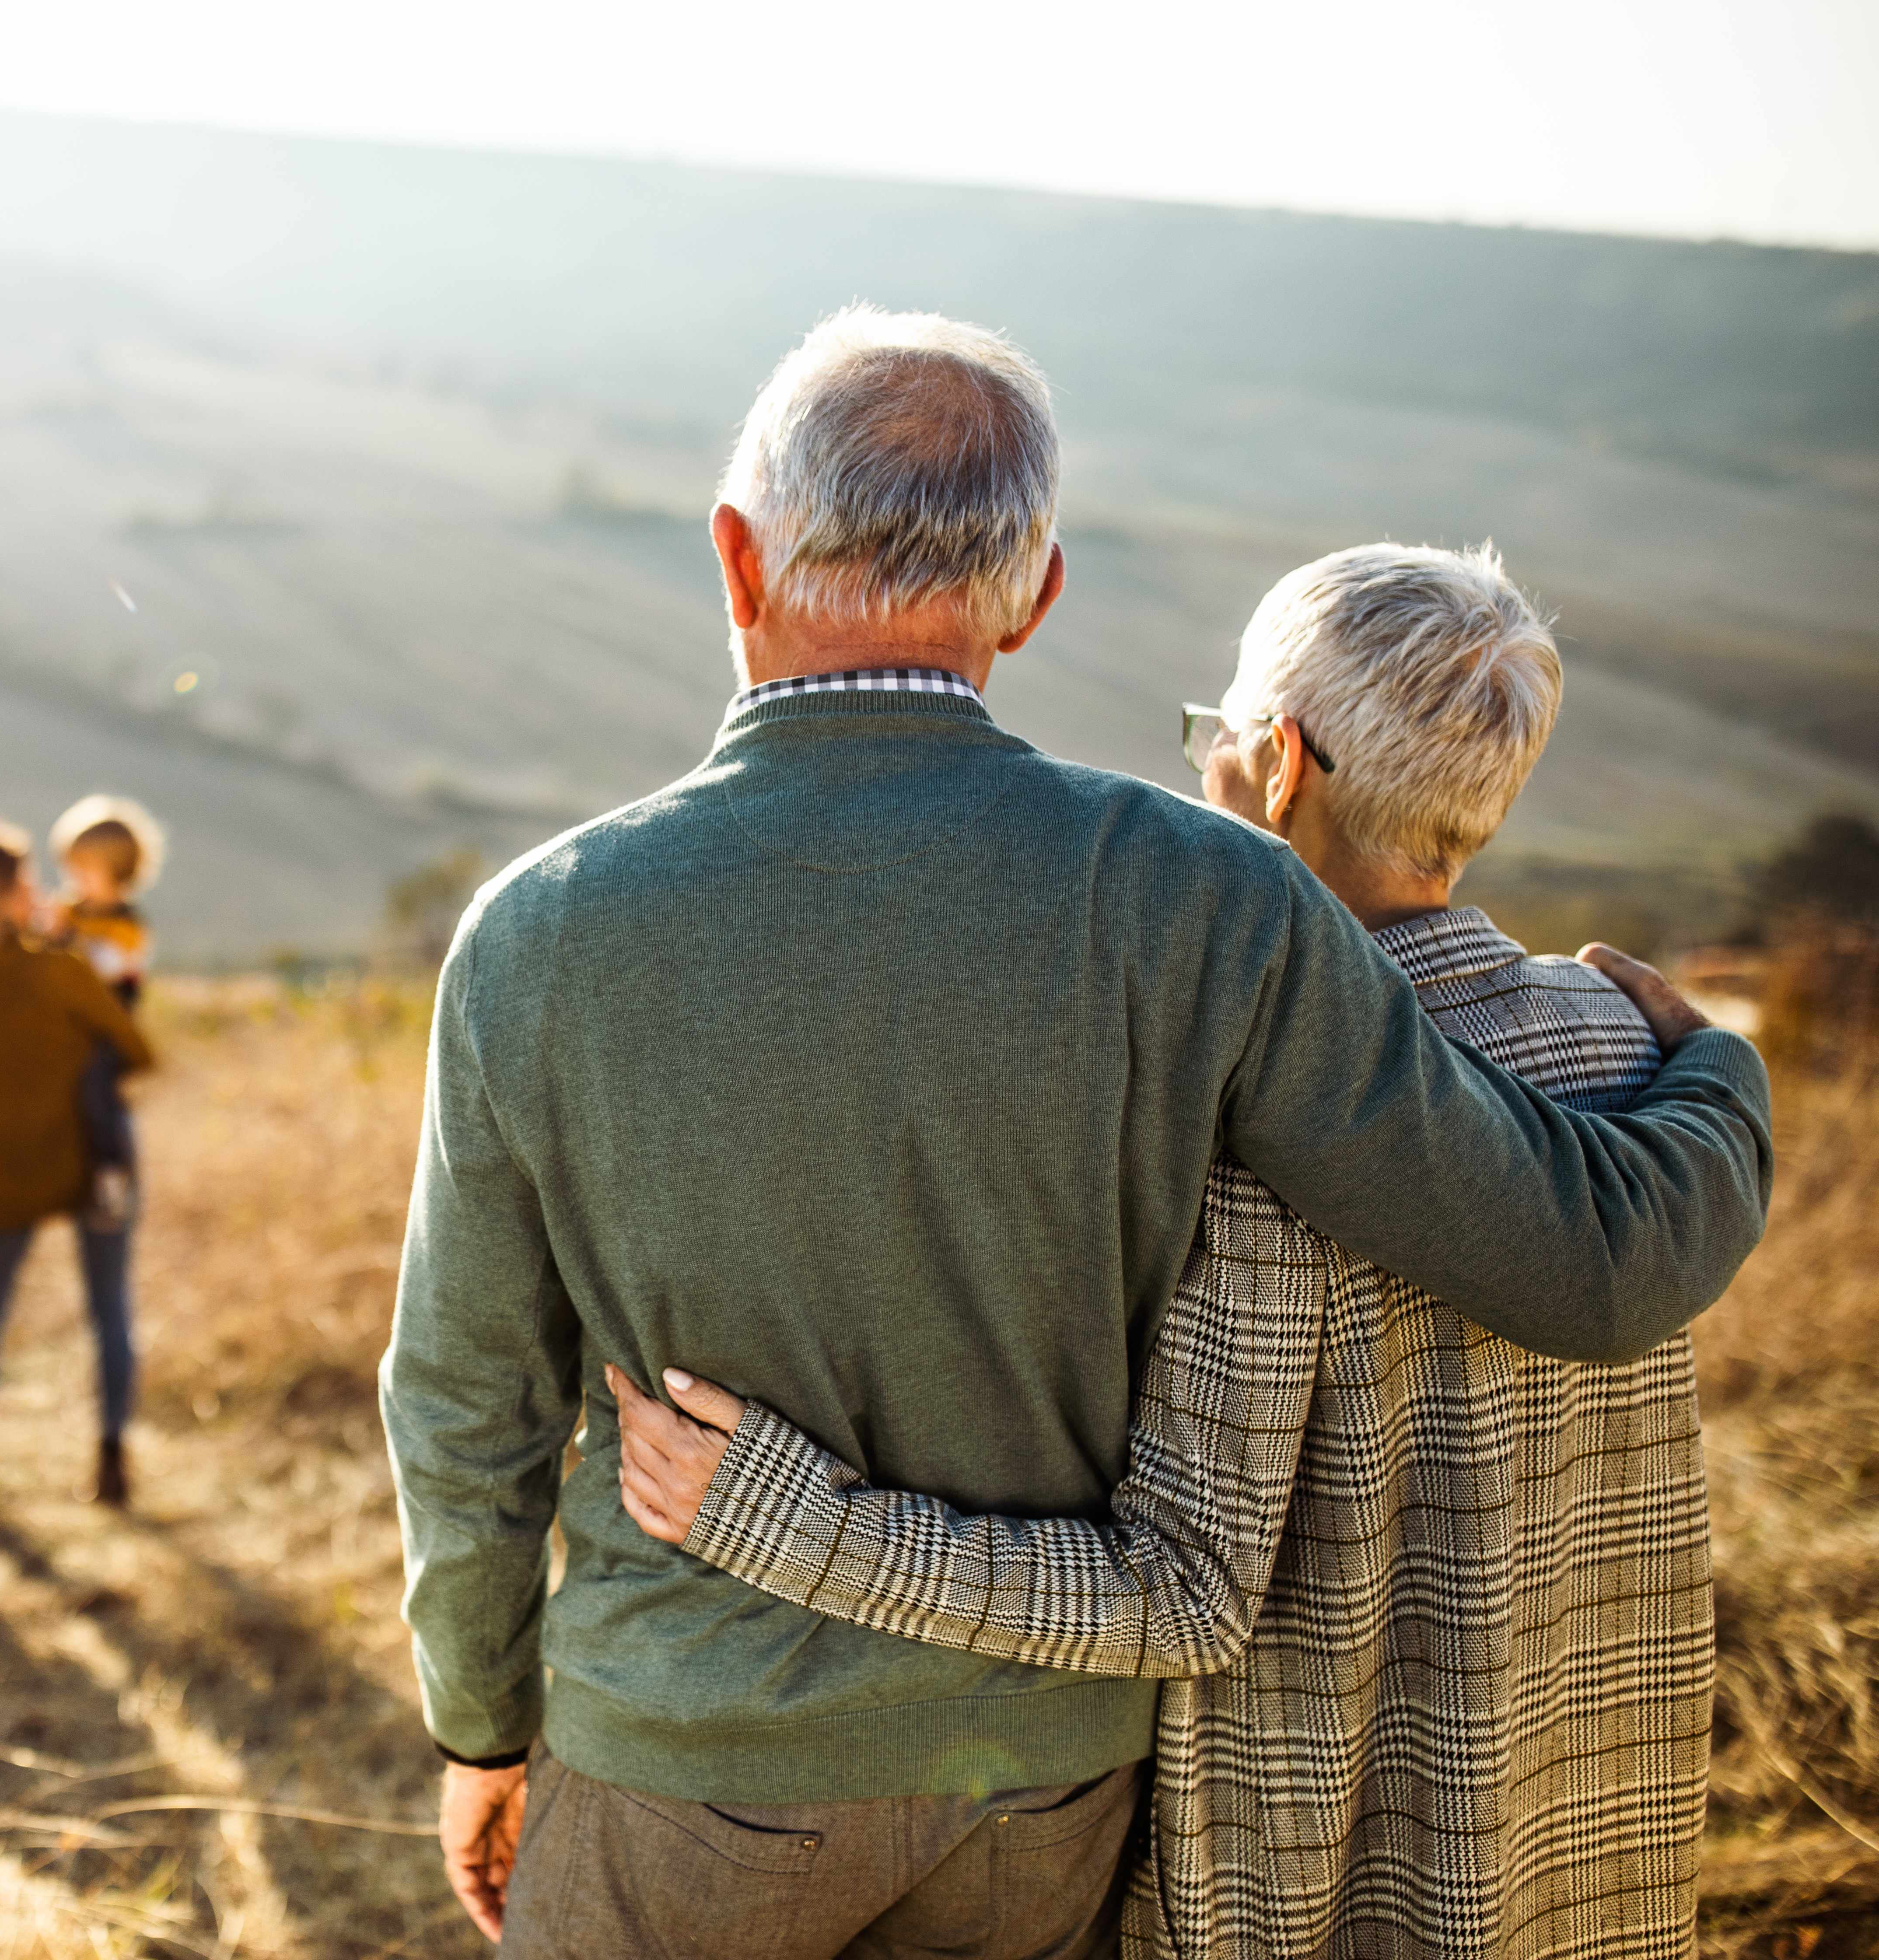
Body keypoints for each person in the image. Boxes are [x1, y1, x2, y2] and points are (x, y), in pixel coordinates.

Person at [378, 308, 1773, 1959]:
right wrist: (1714, 1082)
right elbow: (1574, 1261)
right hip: (1039, 1789)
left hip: (682, 1768)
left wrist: (480, 1725)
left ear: (734, 561)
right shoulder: (1201, 899)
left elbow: (466, 1403)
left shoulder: (536, 931)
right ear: (1031, 597)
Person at [609, 542, 1728, 1958]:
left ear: (1276, 766)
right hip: (1589, 1856)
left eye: (1211, 741)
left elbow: (1185, 1594)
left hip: (1317, 1876)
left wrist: (792, 1523)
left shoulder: (1237, 1117)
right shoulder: (1627, 1045)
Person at [0, 811, 156, 1510]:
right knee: (110, 1308)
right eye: (26, 881)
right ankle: (111, 1458)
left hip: (3, 1158)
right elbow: (136, 1048)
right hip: (92, 1152)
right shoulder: (57, 971)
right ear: (3, 894)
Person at [44, 794, 167, 1231]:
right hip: (69, 1028)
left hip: (108, 1031)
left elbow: (108, 968)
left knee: (97, 1089)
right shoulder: (71, 912)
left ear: (118, 872)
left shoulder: (127, 925)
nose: (74, 879)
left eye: (85, 869)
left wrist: (67, 939)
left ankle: (111, 1174)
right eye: (70, 868)